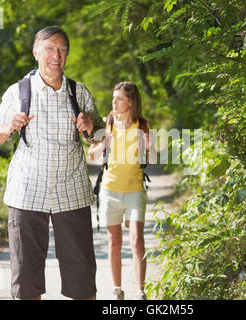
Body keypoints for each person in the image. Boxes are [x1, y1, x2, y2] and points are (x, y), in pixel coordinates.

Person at [0, 26, 105, 300]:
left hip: (71, 191)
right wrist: (8, 128)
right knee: (26, 284)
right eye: (49, 48)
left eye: (62, 49)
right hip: (27, 192)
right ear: (36, 52)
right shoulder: (18, 92)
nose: (56, 55)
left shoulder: (79, 92)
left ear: (67, 55)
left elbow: (99, 139)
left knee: (82, 281)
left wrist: (91, 129)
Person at [88, 82, 153, 300]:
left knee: (137, 239)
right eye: (113, 98)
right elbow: (92, 154)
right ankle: (117, 289)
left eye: (118, 99)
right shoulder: (109, 122)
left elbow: (150, 159)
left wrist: (147, 147)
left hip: (135, 190)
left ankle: (141, 291)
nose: (113, 102)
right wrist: (104, 144)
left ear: (130, 102)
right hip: (110, 190)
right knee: (114, 242)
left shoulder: (143, 125)